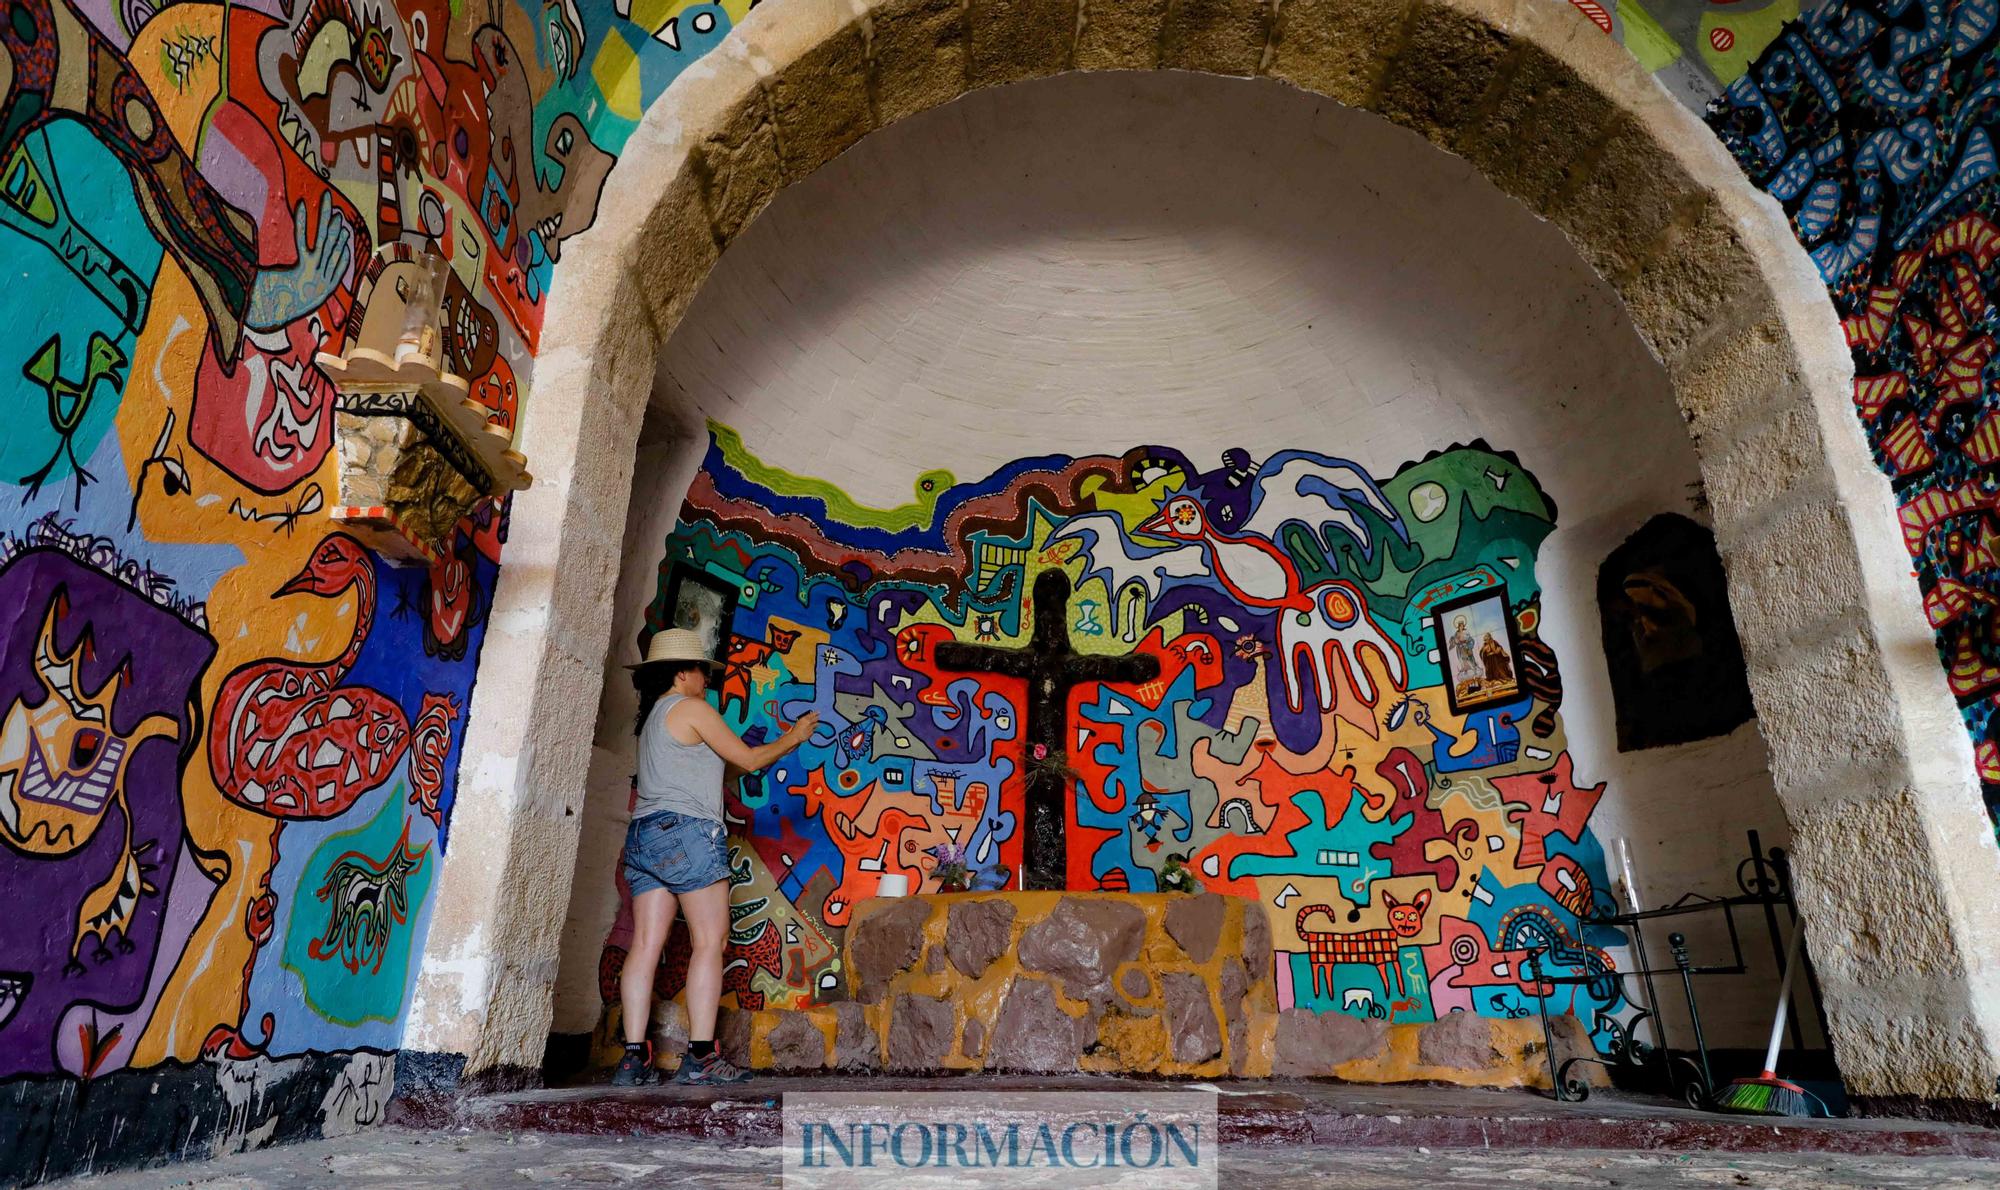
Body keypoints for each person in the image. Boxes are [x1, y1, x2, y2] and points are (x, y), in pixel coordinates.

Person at [613, 628, 818, 1086]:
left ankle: (631, 1060)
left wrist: (752, 753)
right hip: (687, 833)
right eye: (702, 670)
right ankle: (701, 1056)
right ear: (683, 672)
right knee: (710, 941)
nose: (706, 678)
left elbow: (718, 770)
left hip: (645, 836)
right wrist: (795, 737)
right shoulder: (692, 708)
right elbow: (746, 760)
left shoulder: (654, 723)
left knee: (646, 946)